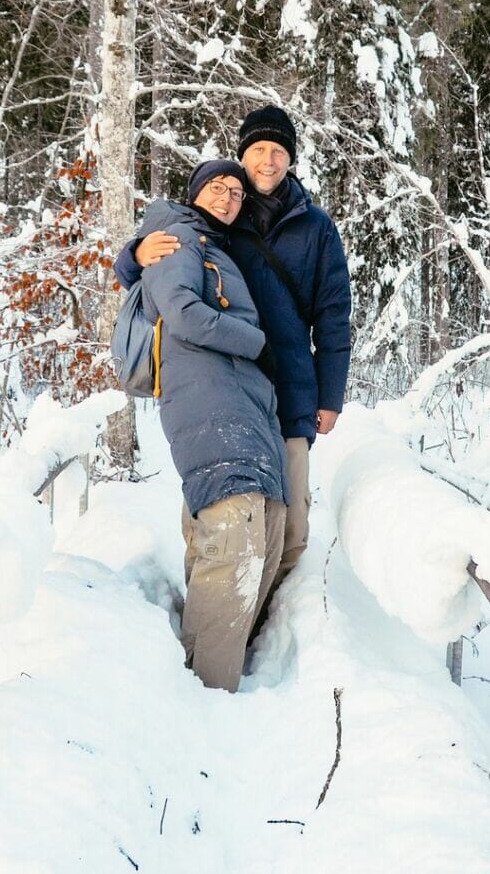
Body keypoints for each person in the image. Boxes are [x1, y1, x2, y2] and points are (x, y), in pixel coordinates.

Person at [115, 106, 352, 619]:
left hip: (288, 387)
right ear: (243, 156)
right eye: (258, 151)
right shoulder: (224, 210)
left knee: (288, 527)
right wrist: (133, 254)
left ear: (290, 160)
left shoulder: (314, 226)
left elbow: (334, 313)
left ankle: (262, 627)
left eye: (278, 152)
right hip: (226, 389)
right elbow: (166, 262)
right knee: (220, 507)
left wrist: (330, 395)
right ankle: (213, 617)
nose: (267, 161)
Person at [125, 159, 288, 692]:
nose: (227, 197)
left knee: (257, 532)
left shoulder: (210, 244)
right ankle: (208, 701)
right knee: (234, 535)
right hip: (209, 403)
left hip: (239, 401)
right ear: (195, 192)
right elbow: (185, 313)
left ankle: (211, 676)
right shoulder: (177, 238)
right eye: (217, 187)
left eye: (236, 193)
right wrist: (258, 343)